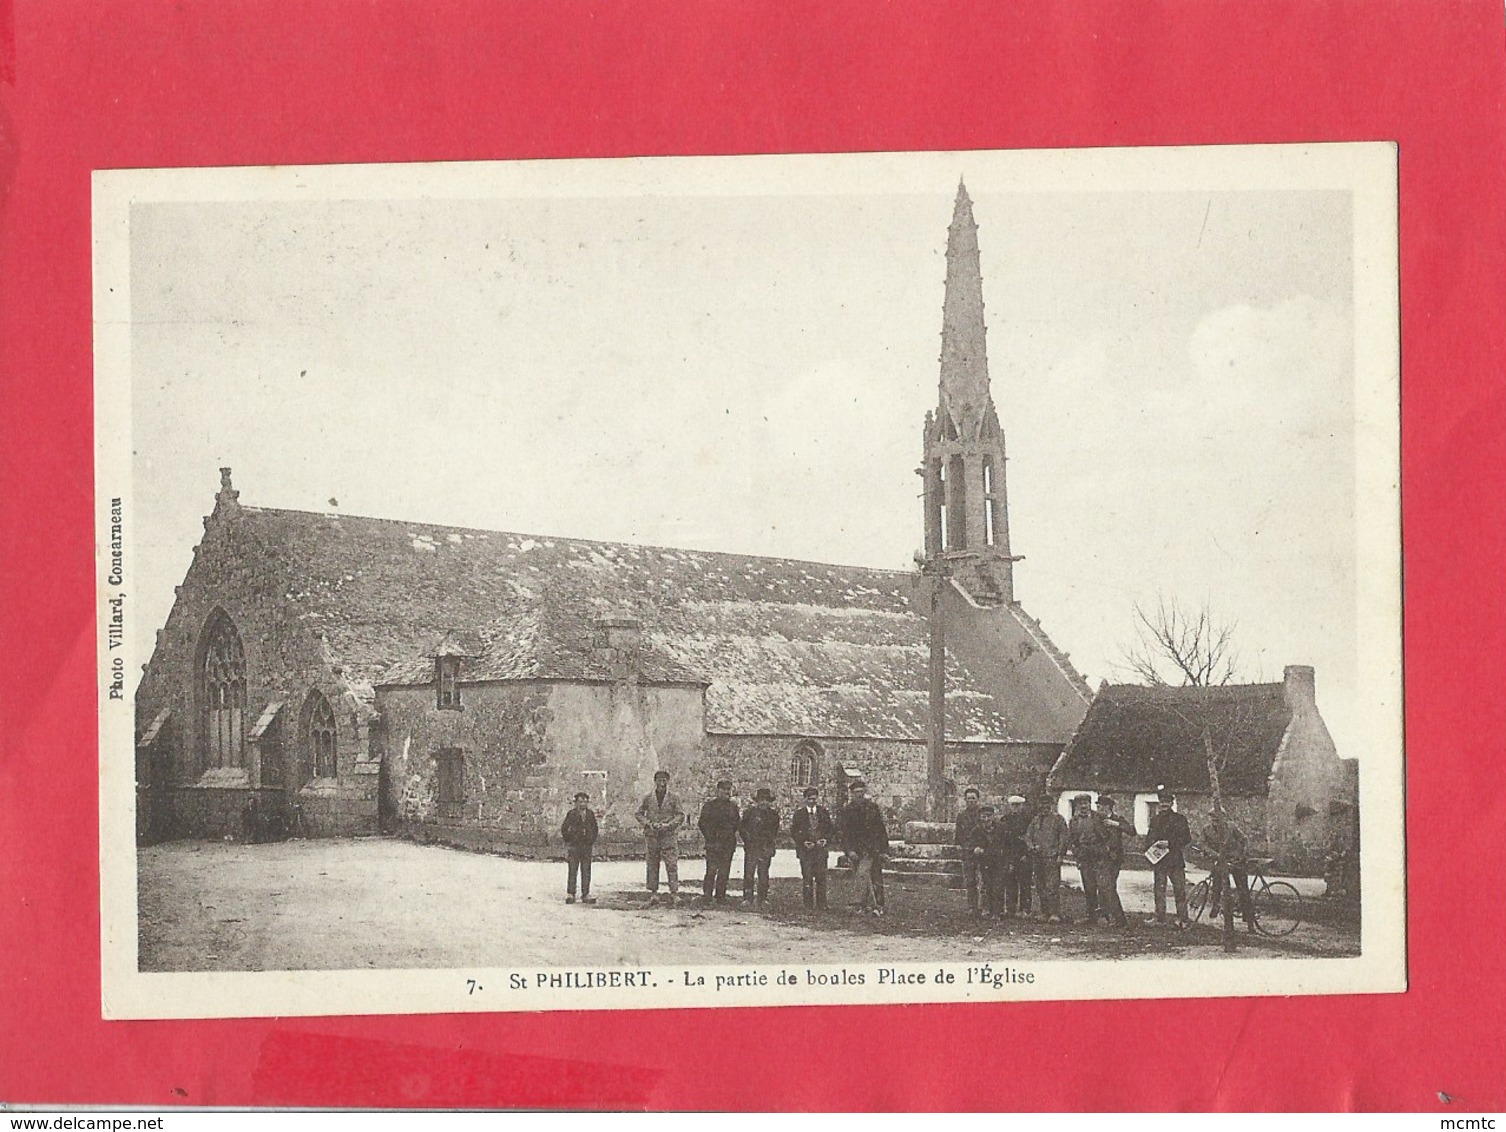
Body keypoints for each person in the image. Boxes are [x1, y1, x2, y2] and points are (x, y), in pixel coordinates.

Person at [840, 779, 889, 916]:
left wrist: (884, 850)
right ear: (852, 794)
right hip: (856, 850)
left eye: (861, 792)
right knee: (861, 876)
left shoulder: (872, 808)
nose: (859, 795)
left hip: (873, 849)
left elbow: (881, 830)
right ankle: (864, 905)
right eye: (856, 793)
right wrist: (849, 851)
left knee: (874, 876)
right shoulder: (847, 810)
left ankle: (876, 905)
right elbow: (844, 833)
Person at [1144, 785, 1191, 928]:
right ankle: (1160, 918)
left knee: (1179, 890)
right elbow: (1149, 838)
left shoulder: (1179, 819)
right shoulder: (1155, 820)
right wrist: (1150, 849)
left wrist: (1169, 843)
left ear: (1171, 803)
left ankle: (1182, 919)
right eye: (1162, 802)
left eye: (1167, 802)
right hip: (1159, 861)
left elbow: (1186, 838)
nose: (1164, 804)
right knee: (1159, 890)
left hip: (1175, 860)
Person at [1203, 805, 1256, 931]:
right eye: (1212, 818)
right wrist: (1215, 855)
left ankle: (1249, 922)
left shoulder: (1231, 827)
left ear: (1224, 818)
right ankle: (1216, 904)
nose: (1215, 821)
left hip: (1236, 861)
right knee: (1217, 882)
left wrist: (1242, 854)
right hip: (1220, 861)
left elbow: (1244, 840)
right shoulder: (1206, 830)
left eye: (1218, 818)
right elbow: (1202, 844)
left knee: (1243, 890)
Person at [635, 770, 683, 904]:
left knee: (671, 864)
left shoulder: (674, 798)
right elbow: (638, 813)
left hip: (668, 836)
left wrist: (668, 825)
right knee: (652, 864)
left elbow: (680, 815)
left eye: (664, 780)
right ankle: (653, 893)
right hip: (652, 836)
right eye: (659, 780)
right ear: (655, 781)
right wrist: (649, 824)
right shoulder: (648, 798)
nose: (662, 783)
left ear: (668, 781)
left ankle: (674, 893)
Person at [790, 785, 835, 911]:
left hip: (820, 851)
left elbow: (830, 829)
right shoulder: (799, 814)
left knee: (821, 878)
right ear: (805, 799)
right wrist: (803, 842)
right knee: (807, 878)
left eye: (814, 799)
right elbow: (794, 832)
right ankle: (808, 904)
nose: (812, 801)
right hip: (806, 851)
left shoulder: (823, 812)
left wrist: (825, 840)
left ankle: (822, 904)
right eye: (810, 799)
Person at [1066, 793, 1109, 925]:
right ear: (1077, 805)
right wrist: (1077, 855)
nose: (1083, 806)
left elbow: (1108, 836)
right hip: (1084, 857)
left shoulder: (1100, 817)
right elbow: (1073, 840)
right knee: (1089, 887)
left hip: (1099, 857)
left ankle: (1103, 916)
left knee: (1102, 887)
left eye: (1086, 803)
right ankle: (1090, 915)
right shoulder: (1073, 821)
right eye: (1080, 804)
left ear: (1090, 804)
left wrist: (1106, 852)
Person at [697, 779, 741, 905]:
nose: (727, 792)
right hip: (713, 843)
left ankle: (720, 896)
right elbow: (702, 823)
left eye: (729, 790)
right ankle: (707, 895)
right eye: (724, 790)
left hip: (727, 843)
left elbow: (736, 823)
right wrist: (711, 836)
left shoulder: (733, 807)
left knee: (724, 870)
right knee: (711, 870)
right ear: (718, 791)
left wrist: (728, 834)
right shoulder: (709, 806)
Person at [1026, 797, 1068, 924]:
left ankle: (1054, 913)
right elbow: (1028, 836)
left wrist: (1060, 854)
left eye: (1047, 804)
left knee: (1052, 885)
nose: (1044, 806)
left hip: (1052, 857)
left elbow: (1063, 837)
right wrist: (1032, 847)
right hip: (1037, 857)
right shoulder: (1036, 820)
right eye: (1042, 803)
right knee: (1040, 886)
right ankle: (1045, 912)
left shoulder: (1058, 819)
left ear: (1051, 804)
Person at [1093, 794, 1132, 928]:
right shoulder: (1095, 820)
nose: (1098, 809)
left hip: (1115, 859)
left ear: (1107, 807)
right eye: (1097, 807)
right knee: (1105, 887)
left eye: (1100, 807)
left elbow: (1132, 831)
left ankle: (1112, 917)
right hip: (1100, 857)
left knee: (1108, 887)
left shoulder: (1117, 819)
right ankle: (1114, 917)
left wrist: (1116, 824)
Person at [738, 787, 781, 908]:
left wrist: (766, 843)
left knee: (763, 874)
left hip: (765, 847)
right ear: (757, 801)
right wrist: (748, 840)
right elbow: (742, 828)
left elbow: (773, 831)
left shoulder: (773, 815)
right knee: (749, 873)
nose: (763, 802)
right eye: (761, 800)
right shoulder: (749, 813)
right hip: (751, 847)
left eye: (766, 800)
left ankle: (763, 898)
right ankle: (747, 898)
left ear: (769, 802)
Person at [560, 791, 599, 905]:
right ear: (576, 803)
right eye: (580, 801)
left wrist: (591, 840)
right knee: (573, 869)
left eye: (585, 802)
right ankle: (571, 894)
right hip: (574, 846)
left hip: (586, 846)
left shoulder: (590, 814)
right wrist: (569, 840)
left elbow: (595, 829)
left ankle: (585, 894)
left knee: (586, 870)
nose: (583, 804)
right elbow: (564, 828)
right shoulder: (571, 814)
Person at [955, 786, 987, 915]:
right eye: (968, 799)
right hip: (967, 852)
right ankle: (972, 907)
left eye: (973, 798)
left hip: (981, 851)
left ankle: (984, 906)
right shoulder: (961, 816)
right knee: (970, 881)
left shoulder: (983, 815)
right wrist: (960, 847)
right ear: (965, 800)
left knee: (984, 880)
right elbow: (958, 834)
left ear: (978, 799)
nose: (971, 801)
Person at [1001, 794, 1033, 917]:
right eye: (1013, 805)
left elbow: (1030, 838)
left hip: (1024, 855)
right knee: (1010, 883)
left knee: (1025, 883)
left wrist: (1026, 854)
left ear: (1022, 806)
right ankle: (1011, 908)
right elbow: (1003, 839)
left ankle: (1025, 909)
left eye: (1018, 805)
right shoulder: (1005, 820)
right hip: (1010, 855)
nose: (1015, 808)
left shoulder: (1028, 819)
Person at [977, 805, 1008, 916]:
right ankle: (986, 908)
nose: (986, 819)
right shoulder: (977, 830)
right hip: (984, 862)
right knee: (986, 885)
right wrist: (976, 848)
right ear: (980, 818)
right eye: (983, 816)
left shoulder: (1001, 829)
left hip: (999, 861)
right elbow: (970, 844)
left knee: (998, 886)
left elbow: (1008, 845)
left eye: (989, 816)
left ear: (993, 816)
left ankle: (998, 910)